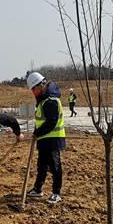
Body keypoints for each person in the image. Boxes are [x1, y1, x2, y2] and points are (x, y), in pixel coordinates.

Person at [25, 72, 65, 205]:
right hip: (44, 139)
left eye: (34, 89)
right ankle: (37, 189)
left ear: (41, 85)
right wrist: (38, 132)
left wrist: (38, 132)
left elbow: (51, 122)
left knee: (55, 166)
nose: (33, 92)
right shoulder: (43, 99)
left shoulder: (51, 100)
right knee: (41, 165)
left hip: (53, 139)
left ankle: (56, 193)